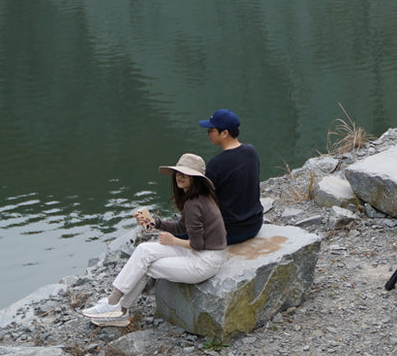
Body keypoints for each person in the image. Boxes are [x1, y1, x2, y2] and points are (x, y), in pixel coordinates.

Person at [81, 153, 226, 327]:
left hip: (205, 261)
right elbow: (181, 228)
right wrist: (155, 223)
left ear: (196, 179)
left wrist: (173, 241)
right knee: (144, 250)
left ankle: (118, 309)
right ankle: (114, 304)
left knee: (146, 265)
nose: (180, 177)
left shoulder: (194, 203)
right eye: (178, 173)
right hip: (199, 253)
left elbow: (197, 244)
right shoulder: (196, 199)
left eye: (186, 174)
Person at [200, 108, 264, 244]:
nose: (208, 134)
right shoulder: (251, 152)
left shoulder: (216, 163)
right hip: (255, 224)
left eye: (211, 130)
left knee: (178, 232)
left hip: (230, 231)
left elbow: (205, 200)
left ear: (224, 133)